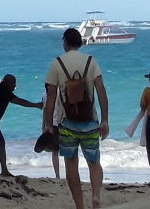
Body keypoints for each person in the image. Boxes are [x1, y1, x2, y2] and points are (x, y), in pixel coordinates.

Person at [43, 28, 110, 209]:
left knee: (71, 165)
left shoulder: (57, 63)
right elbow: (101, 91)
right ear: (80, 42)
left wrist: (48, 123)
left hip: (67, 123)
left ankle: (79, 206)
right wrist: (105, 120)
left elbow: (51, 96)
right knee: (94, 163)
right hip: (90, 122)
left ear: (65, 42)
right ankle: (95, 195)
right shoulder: (91, 61)